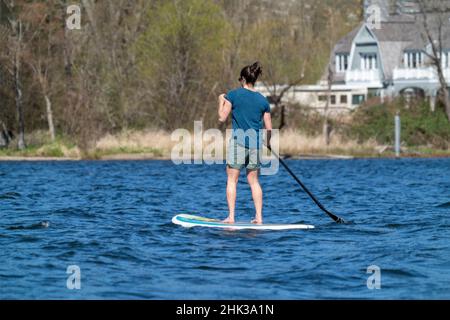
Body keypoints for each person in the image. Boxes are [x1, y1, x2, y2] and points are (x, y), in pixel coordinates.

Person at [218, 61, 272, 225]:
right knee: (254, 181)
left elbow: (221, 117)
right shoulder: (263, 101)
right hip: (256, 145)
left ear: (242, 79)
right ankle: (259, 218)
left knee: (232, 180)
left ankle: (231, 217)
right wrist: (268, 143)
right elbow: (269, 129)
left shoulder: (233, 95)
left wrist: (220, 100)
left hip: (239, 143)